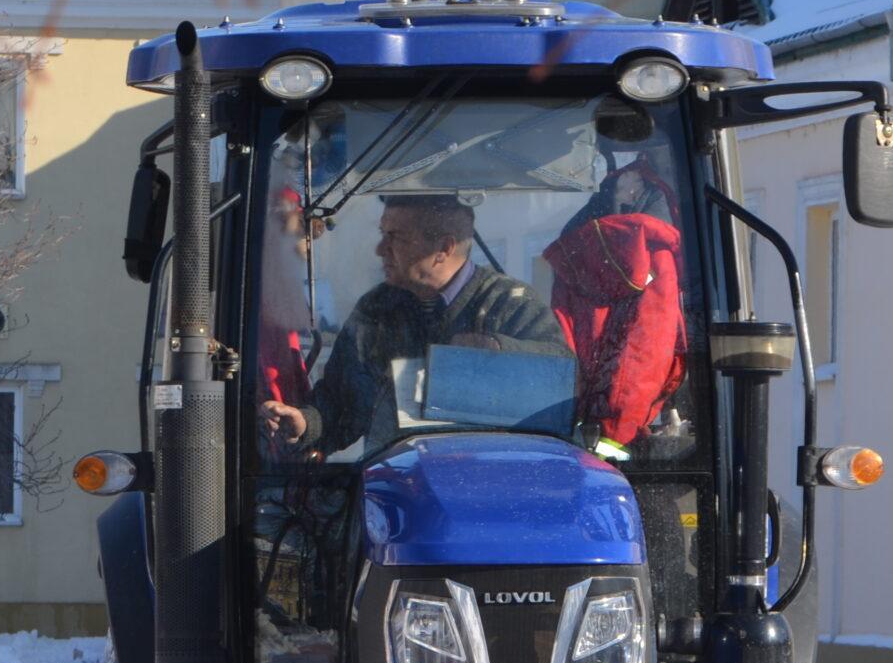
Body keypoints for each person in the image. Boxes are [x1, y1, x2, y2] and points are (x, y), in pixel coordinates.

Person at [260, 193, 566, 457]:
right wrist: (306, 423)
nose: (380, 249)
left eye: (395, 237)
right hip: (394, 485)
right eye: (383, 234)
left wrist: (497, 351)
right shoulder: (377, 309)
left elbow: (560, 380)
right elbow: (343, 401)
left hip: (486, 482)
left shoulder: (509, 304)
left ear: (443, 248)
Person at [540, 150, 687, 452]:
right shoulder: (656, 249)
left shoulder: (580, 242)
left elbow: (564, 337)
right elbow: (645, 349)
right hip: (619, 439)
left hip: (572, 424)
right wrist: (615, 436)